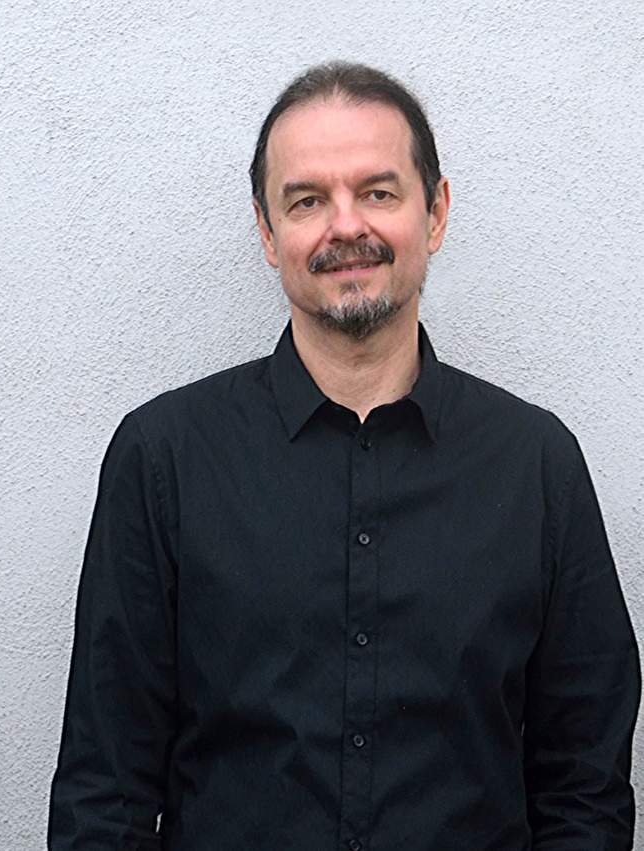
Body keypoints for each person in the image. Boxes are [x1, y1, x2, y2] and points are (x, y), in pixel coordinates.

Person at [49, 61, 638, 850]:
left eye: (378, 192)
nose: (344, 226)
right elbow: (104, 791)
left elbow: (584, 789)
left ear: (434, 213)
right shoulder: (162, 460)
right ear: (267, 233)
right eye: (306, 201)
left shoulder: (536, 465)